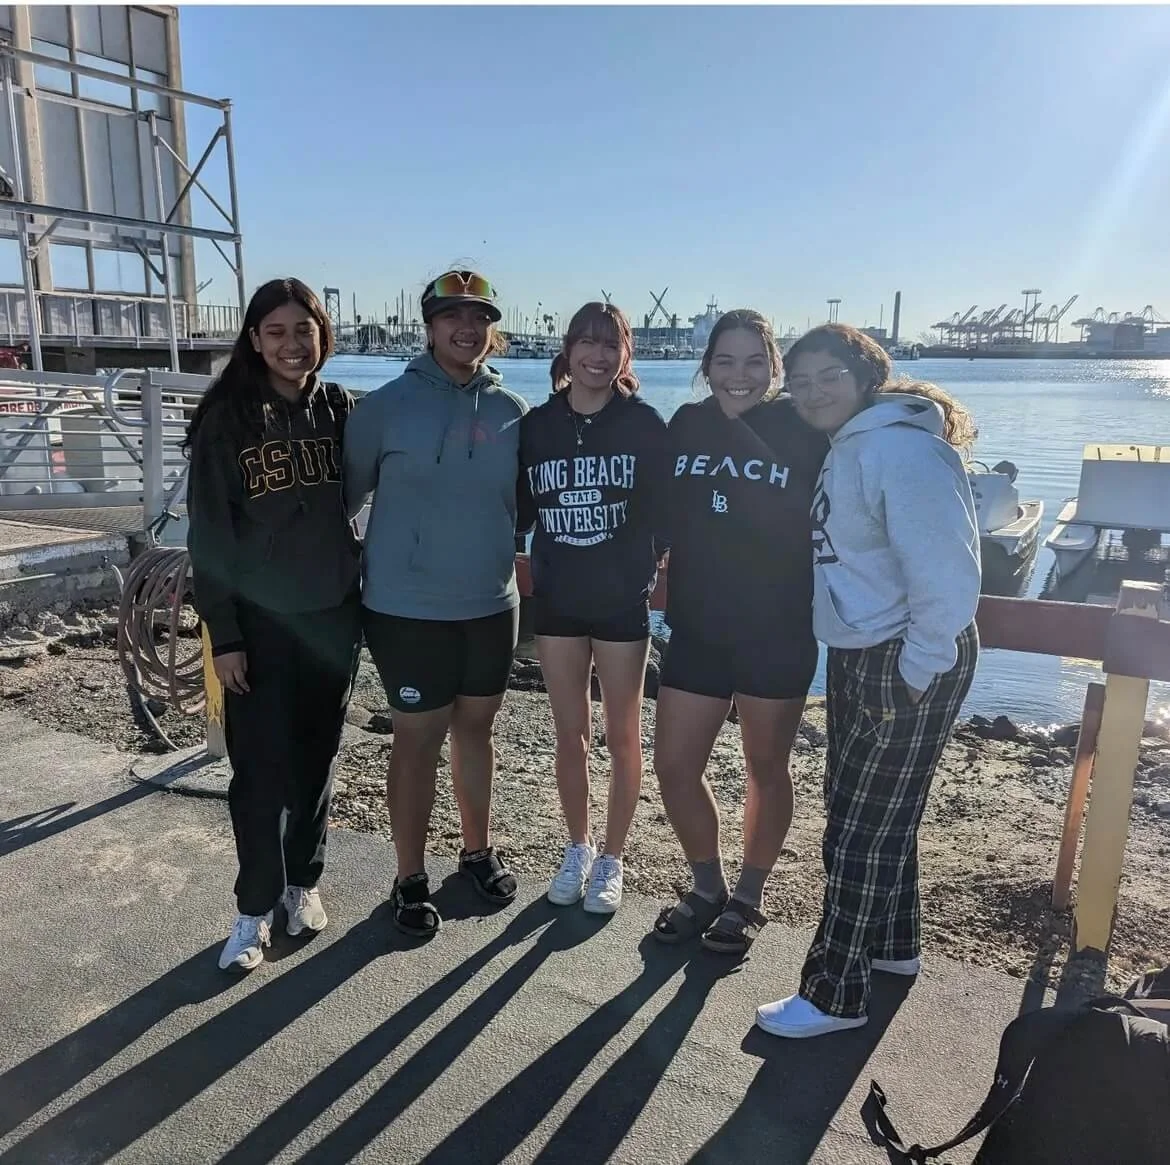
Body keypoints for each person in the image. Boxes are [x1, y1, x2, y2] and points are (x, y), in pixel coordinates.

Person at [756, 323, 980, 1039]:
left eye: (829, 376)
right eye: (801, 379)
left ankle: (834, 993)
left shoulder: (898, 447)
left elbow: (948, 573)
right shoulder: (854, 442)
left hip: (903, 652)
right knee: (880, 818)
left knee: (857, 832)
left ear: (864, 378)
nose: (813, 391)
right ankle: (893, 946)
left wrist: (916, 666)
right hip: (866, 649)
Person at [343, 269, 530, 939]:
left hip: (490, 604)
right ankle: (409, 874)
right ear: (428, 325)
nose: (468, 328)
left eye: (480, 317)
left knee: (478, 731)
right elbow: (345, 503)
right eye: (453, 315)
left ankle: (476, 851)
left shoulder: (513, 412)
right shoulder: (382, 408)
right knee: (417, 741)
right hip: (406, 608)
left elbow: (537, 501)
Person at [185, 278, 362, 973]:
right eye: (278, 330)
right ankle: (252, 909)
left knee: (315, 765)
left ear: (322, 335)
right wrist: (223, 634)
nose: (293, 343)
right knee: (258, 775)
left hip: (331, 618)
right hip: (256, 629)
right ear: (254, 338)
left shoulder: (340, 409)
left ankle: (302, 883)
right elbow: (209, 538)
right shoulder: (225, 418)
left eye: (305, 329)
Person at [651, 309, 828, 956]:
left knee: (764, 767)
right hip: (698, 624)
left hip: (777, 628)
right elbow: (658, 508)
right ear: (706, 368)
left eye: (756, 361)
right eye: (724, 361)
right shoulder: (687, 424)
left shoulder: (803, 428)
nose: (739, 375)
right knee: (673, 766)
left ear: (775, 368)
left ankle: (749, 896)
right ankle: (707, 886)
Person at [520, 302, 667, 914]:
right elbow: (516, 514)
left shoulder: (644, 425)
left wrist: (644, 566)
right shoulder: (536, 426)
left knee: (622, 733)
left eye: (611, 345)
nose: (598, 355)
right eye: (587, 342)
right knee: (569, 735)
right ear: (568, 348)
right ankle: (577, 846)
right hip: (556, 603)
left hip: (619, 607)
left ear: (625, 353)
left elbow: (666, 517)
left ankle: (613, 856)